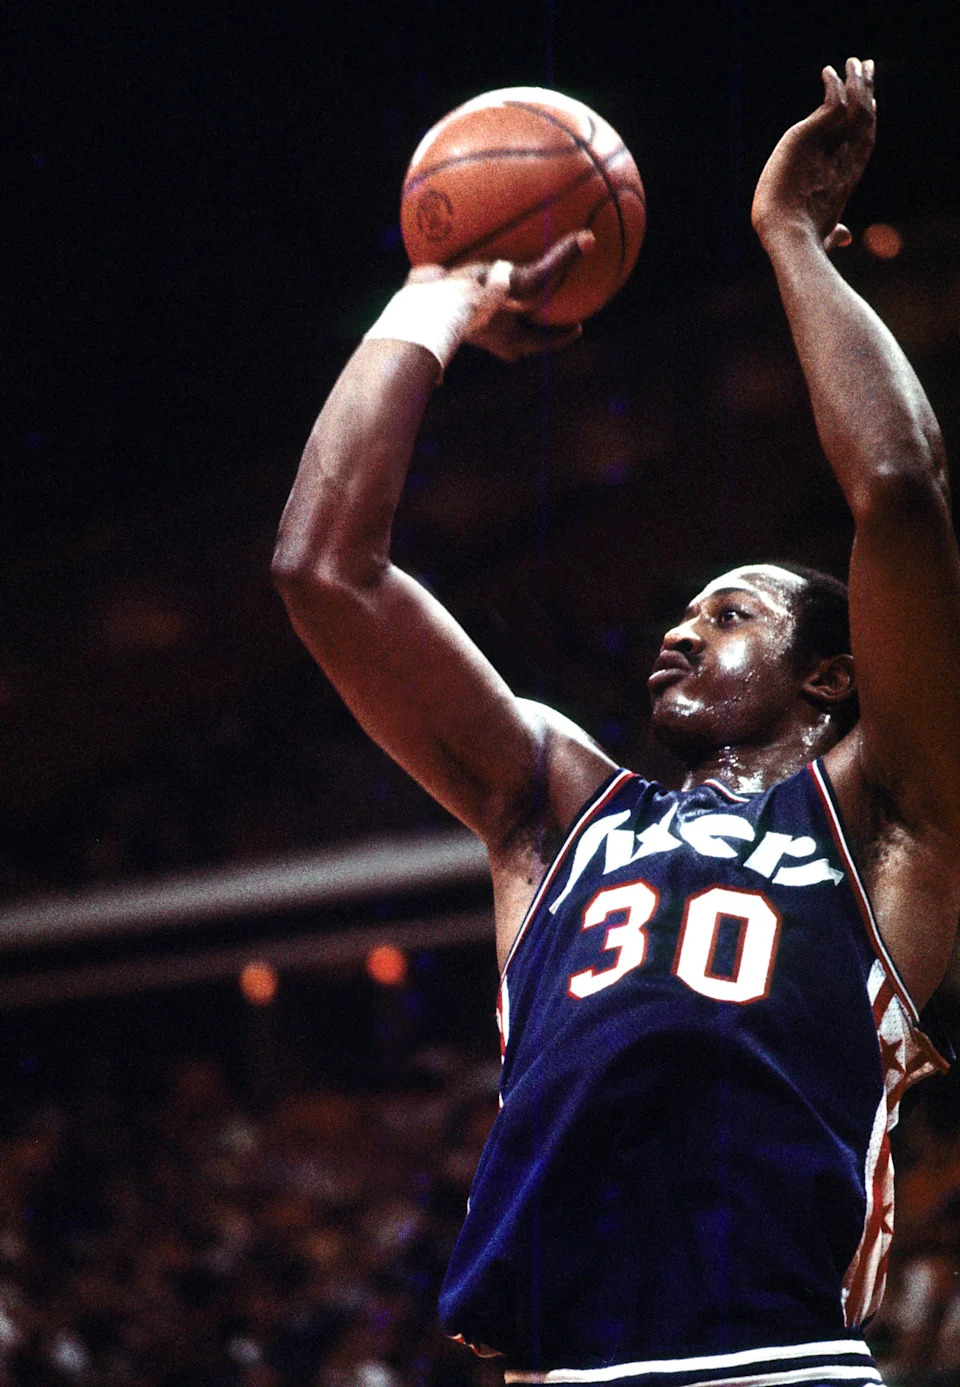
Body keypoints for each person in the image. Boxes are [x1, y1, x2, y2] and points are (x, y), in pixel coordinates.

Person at [273, 59, 960, 1387]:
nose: (685, 628)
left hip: (776, 1363)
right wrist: (433, 301)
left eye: (737, 611)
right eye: (686, 611)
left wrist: (795, 238)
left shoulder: (889, 816)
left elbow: (900, 489)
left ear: (832, 679)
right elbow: (324, 572)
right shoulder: (556, 812)